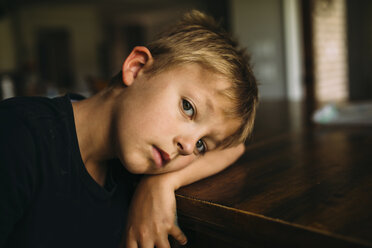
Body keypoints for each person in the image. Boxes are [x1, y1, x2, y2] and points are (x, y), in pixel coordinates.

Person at [0, 10, 258, 248]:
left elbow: (234, 147)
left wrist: (162, 183)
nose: (189, 147)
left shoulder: (131, 161)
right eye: (188, 108)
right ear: (136, 68)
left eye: (202, 144)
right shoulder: (18, 135)